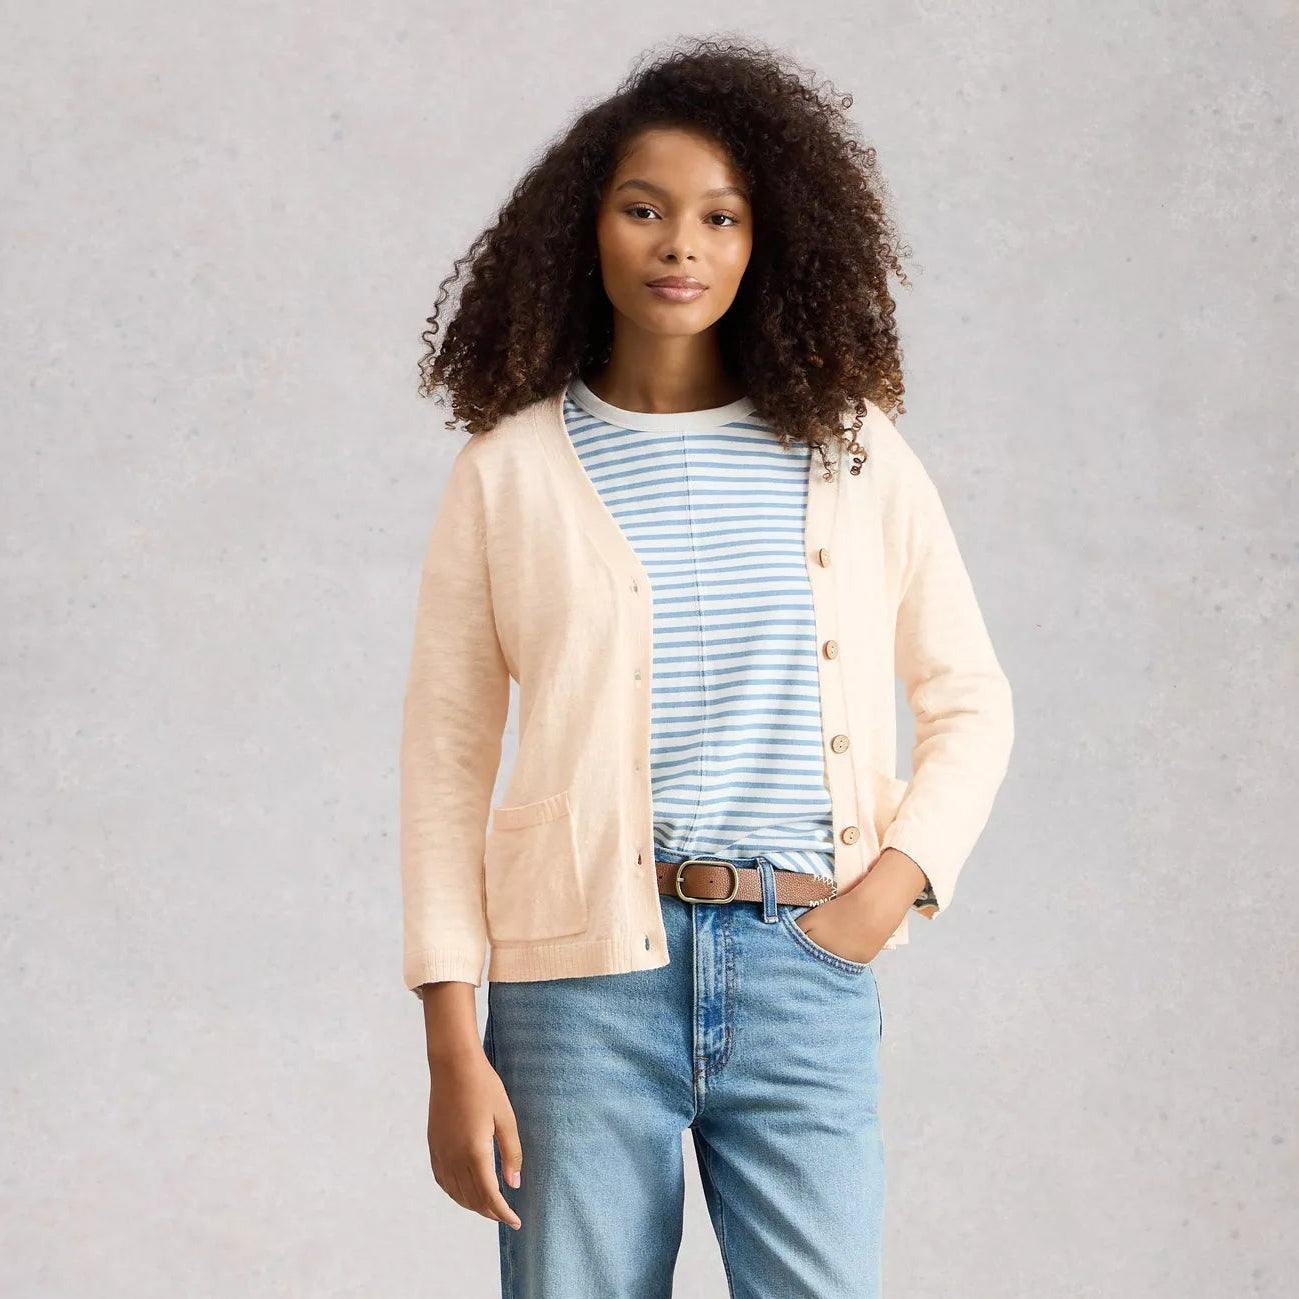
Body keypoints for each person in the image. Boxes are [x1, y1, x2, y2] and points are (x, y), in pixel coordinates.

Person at [401, 36, 1014, 1299]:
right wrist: (451, 1040)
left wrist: (888, 892)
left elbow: (970, 699)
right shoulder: (507, 472)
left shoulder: (852, 455)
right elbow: (444, 764)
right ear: (585, 230)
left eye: (720, 217)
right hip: (576, 992)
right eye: (644, 210)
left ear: (764, 241)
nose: (680, 244)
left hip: (803, 960)